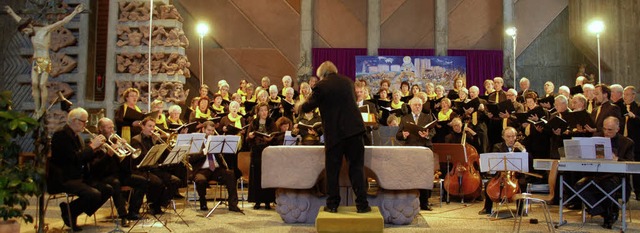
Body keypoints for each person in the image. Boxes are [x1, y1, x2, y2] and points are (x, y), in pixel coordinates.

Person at [300, 61, 371, 213]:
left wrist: (300, 104)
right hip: (355, 131)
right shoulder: (348, 82)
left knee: (332, 170)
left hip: (336, 134)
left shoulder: (321, 85)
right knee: (357, 168)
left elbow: (307, 107)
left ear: (322, 75)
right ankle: (362, 205)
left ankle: (332, 205)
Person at [4, 4, 84, 118]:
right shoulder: (31, 33)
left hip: (45, 60)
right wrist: (11, 12)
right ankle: (37, 109)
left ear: (30, 25)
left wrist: (75, 12)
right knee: (34, 84)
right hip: (36, 60)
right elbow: (20, 21)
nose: (26, 33)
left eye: (26, 30)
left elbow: (61, 22)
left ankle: (42, 108)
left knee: (42, 84)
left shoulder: (44, 31)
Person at [49, 108, 111, 231]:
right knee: (93, 194)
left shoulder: (78, 137)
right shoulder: (61, 135)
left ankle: (71, 210)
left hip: (78, 176)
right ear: (74, 120)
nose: (85, 124)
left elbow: (83, 158)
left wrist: (96, 150)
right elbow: (73, 159)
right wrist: (92, 146)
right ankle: (70, 211)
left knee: (107, 189)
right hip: (64, 177)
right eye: (83, 121)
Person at [575, 116, 634, 229]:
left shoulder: (627, 143)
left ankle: (609, 215)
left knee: (607, 185)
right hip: (597, 175)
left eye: (610, 130)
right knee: (579, 186)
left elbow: (630, 163)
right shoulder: (596, 138)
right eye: (604, 129)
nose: (606, 132)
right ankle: (601, 210)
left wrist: (617, 159)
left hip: (616, 177)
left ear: (618, 128)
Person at [91, 118, 148, 226]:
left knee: (143, 181)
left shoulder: (114, 141)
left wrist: (126, 150)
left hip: (118, 173)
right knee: (116, 183)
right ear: (101, 129)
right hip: (104, 176)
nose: (112, 130)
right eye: (109, 128)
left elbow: (123, 165)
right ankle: (123, 216)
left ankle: (133, 211)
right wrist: (109, 154)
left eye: (113, 127)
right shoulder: (95, 143)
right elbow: (97, 167)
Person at [129, 117, 181, 214]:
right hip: (142, 169)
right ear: (142, 127)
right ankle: (153, 204)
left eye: (153, 126)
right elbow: (141, 157)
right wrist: (154, 143)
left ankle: (159, 203)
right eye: (149, 126)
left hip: (154, 168)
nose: (152, 129)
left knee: (175, 181)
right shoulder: (136, 140)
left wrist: (160, 143)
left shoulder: (154, 139)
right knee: (157, 183)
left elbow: (162, 156)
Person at [189, 121, 244, 213]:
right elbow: (192, 159)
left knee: (230, 174)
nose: (210, 133)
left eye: (212, 131)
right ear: (203, 129)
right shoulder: (197, 141)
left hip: (216, 169)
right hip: (202, 170)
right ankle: (203, 202)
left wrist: (221, 148)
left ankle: (233, 204)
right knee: (200, 180)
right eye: (208, 130)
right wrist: (204, 152)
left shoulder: (216, 141)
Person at [396, 97, 436, 210]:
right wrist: (403, 135)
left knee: (424, 176)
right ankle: (409, 201)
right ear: (411, 106)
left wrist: (427, 135)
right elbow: (398, 135)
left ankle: (424, 203)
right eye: (415, 105)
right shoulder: (405, 118)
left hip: (424, 149)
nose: (418, 107)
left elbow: (433, 132)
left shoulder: (428, 117)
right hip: (410, 150)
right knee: (410, 176)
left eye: (419, 105)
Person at [478, 127, 527, 215]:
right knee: (487, 184)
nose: (511, 139)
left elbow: (528, 162)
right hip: (500, 175)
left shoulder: (520, 147)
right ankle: (487, 208)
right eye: (508, 137)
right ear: (503, 137)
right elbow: (494, 162)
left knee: (523, 183)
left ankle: (520, 210)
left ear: (516, 137)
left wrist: (523, 150)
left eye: (513, 136)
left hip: (516, 175)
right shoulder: (498, 147)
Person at [246, 103, 277, 209]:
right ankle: (257, 201)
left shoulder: (271, 123)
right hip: (256, 152)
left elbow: (275, 136)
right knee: (257, 176)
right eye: (262, 110)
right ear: (258, 112)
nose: (264, 112)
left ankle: (268, 201)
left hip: (268, 152)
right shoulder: (254, 123)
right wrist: (250, 136)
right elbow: (247, 138)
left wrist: (270, 139)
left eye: (266, 110)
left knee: (267, 176)